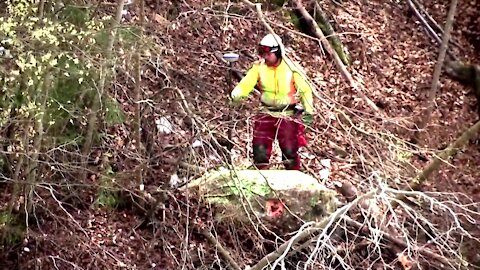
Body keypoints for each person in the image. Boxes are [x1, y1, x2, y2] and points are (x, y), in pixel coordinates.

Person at [230, 33, 315, 170]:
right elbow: (245, 84)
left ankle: (293, 178)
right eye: (263, 53)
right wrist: (236, 96)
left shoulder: (291, 68)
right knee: (260, 150)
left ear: (278, 52)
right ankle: (261, 178)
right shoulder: (258, 68)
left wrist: (309, 111)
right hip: (266, 112)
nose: (266, 57)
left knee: (290, 151)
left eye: (268, 54)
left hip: (287, 114)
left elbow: (305, 90)